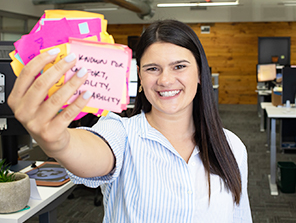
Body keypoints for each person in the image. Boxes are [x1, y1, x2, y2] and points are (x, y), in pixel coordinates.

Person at [8, 19, 252, 222]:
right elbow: (93, 150)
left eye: (179, 66)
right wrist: (59, 143)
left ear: (200, 72)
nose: (165, 80)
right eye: (152, 68)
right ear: (140, 77)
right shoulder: (120, 131)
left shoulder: (231, 146)